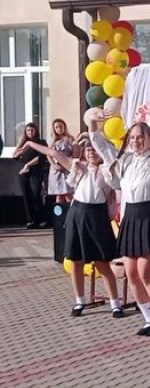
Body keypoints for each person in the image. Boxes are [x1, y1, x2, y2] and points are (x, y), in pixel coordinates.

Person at [88, 102, 150, 336]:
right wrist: (93, 122)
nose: (135, 141)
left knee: (146, 272)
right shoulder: (125, 160)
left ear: (149, 139)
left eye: (140, 137)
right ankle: (148, 318)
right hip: (131, 219)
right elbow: (101, 146)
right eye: (132, 137)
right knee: (132, 273)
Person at [22, 135, 123, 318]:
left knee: (102, 263)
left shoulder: (108, 169)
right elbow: (53, 153)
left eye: (95, 149)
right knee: (76, 261)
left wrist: (93, 134)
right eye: (88, 150)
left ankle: (115, 304)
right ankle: (79, 300)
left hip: (97, 216)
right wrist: (29, 143)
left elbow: (113, 152)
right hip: (78, 214)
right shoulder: (77, 166)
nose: (91, 152)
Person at [14, 122, 49, 229]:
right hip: (24, 172)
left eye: (32, 130)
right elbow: (15, 156)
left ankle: (41, 219)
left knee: (36, 193)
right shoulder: (24, 143)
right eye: (28, 130)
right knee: (26, 195)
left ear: (36, 131)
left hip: (36, 171)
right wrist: (20, 145)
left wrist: (28, 164)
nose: (30, 132)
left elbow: (41, 157)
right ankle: (31, 220)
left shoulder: (41, 142)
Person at [48, 118, 75, 204]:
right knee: (59, 194)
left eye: (60, 126)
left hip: (67, 168)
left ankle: (70, 210)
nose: (59, 129)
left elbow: (74, 153)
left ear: (64, 127)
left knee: (68, 194)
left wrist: (68, 164)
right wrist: (54, 165)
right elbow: (48, 155)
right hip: (57, 170)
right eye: (57, 127)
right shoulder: (53, 141)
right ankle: (59, 211)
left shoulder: (70, 139)